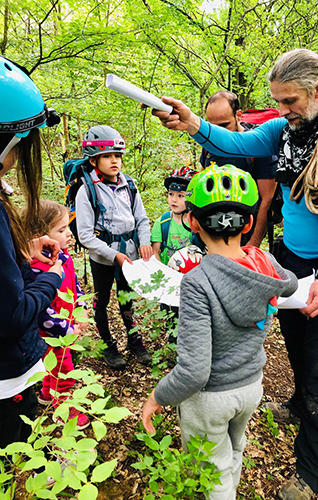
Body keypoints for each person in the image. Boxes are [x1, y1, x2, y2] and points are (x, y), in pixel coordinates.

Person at [151, 49, 318, 499]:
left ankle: (312, 472)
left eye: (289, 101)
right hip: (289, 257)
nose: (283, 110)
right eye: (278, 101)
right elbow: (233, 144)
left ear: (317, 90)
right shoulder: (283, 130)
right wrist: (192, 122)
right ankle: (295, 404)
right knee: (293, 340)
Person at [142, 164, 297, 500]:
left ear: (194, 222)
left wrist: (157, 398)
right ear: (251, 223)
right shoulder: (267, 263)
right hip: (251, 386)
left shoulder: (197, 281)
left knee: (212, 471)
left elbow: (194, 370)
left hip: (211, 397)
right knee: (234, 448)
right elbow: (291, 283)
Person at [0, 56, 62, 448]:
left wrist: (22, 250)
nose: (18, 158)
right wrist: (51, 279)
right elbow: (10, 314)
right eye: (19, 145)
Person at [75, 125, 153, 370]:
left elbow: (141, 218)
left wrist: (145, 242)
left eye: (117, 156)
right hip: (103, 258)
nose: (114, 161)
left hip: (128, 255)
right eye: (107, 156)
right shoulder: (86, 189)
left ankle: (134, 339)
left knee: (126, 299)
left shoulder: (129, 185)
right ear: (94, 159)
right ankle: (108, 343)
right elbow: (85, 235)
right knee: (102, 299)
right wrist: (113, 255)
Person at [30, 200, 90, 431]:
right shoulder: (37, 266)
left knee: (56, 366)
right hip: (51, 333)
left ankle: (46, 393)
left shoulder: (63, 256)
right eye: (61, 230)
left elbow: (74, 285)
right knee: (63, 370)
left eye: (68, 228)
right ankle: (63, 409)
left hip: (67, 323)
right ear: (40, 234)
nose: (69, 235)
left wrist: (82, 308)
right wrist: (65, 328)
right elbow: (41, 309)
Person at [201, 90, 278, 247]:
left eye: (224, 125)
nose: (218, 133)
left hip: (246, 228)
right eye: (212, 126)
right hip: (215, 229)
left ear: (238, 115)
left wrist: (253, 243)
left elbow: (267, 199)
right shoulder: (209, 145)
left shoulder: (258, 147)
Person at [151, 166, 200, 343]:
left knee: (193, 319)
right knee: (172, 319)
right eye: (171, 194)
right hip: (169, 282)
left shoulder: (197, 223)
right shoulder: (163, 222)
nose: (174, 199)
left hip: (193, 282)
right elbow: (156, 252)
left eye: (181, 196)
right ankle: (174, 350)